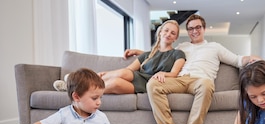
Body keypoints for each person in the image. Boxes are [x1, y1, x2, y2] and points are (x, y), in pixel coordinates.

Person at [125, 14, 259, 124]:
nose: (194, 31)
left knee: (207, 85)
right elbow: (160, 53)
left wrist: (255, 59)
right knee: (153, 84)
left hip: (201, 80)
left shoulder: (215, 47)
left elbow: (237, 60)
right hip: (179, 79)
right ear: (188, 31)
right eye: (190, 29)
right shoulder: (182, 47)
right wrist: (138, 52)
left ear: (204, 29)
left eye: (198, 27)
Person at [53, 20, 186, 94]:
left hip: (150, 84)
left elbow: (174, 73)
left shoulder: (178, 54)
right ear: (160, 32)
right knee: (123, 73)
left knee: (115, 83)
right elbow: (128, 70)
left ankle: (75, 85)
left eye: (173, 33)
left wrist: (164, 73)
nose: (168, 34)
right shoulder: (147, 54)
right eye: (166, 30)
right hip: (137, 77)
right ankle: (75, 82)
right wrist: (108, 73)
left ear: (175, 38)